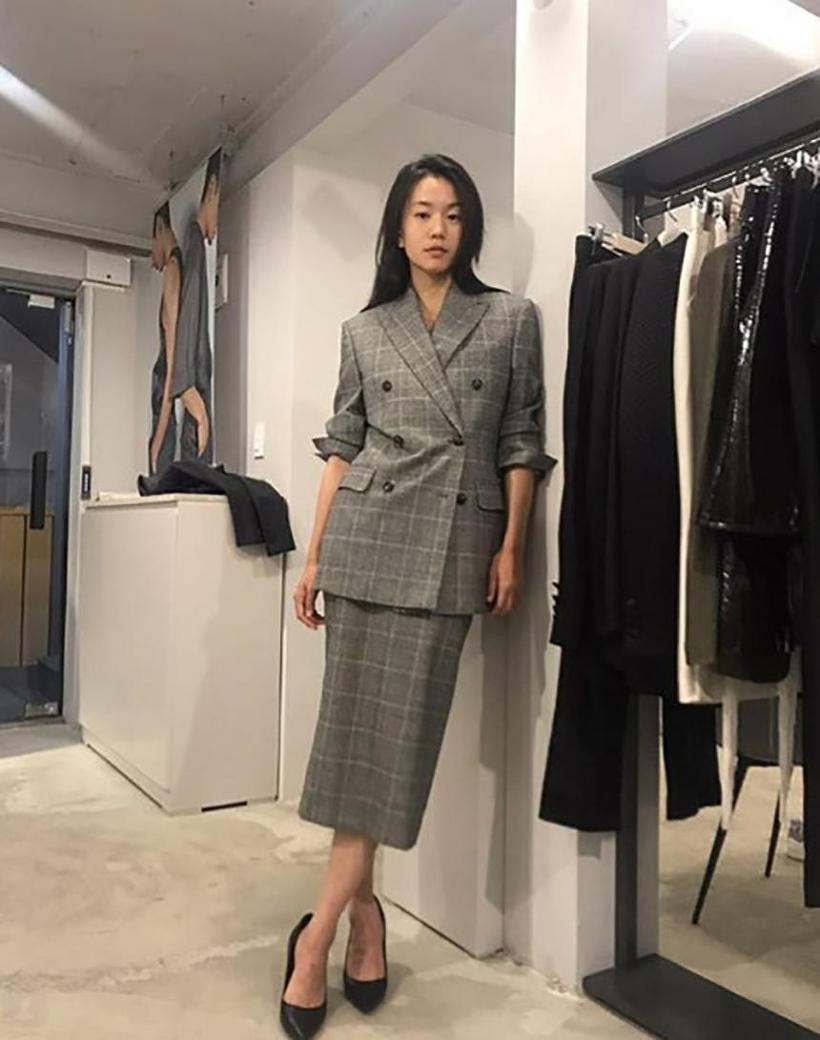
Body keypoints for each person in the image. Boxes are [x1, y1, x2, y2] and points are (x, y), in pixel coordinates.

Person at [280, 153, 553, 1039]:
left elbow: (520, 439)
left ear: (469, 229)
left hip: (449, 549)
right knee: (350, 744)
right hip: (365, 543)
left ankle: (320, 930)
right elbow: (343, 447)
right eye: (423, 214)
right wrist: (315, 558)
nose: (438, 229)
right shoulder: (365, 331)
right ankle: (355, 922)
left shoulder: (510, 319)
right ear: (398, 231)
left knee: (398, 751)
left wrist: (510, 545)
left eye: (454, 214)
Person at [173, 149, 221, 463]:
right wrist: (200, 412)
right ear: (212, 190)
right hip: (195, 399)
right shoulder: (194, 246)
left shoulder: (195, 247)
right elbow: (187, 324)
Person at [148, 203, 182, 475]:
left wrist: (159, 435)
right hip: (165, 390)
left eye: (152, 244)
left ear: (160, 228)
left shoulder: (173, 269)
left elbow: (172, 355)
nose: (151, 259)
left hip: (165, 391)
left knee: (159, 473)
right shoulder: (176, 267)